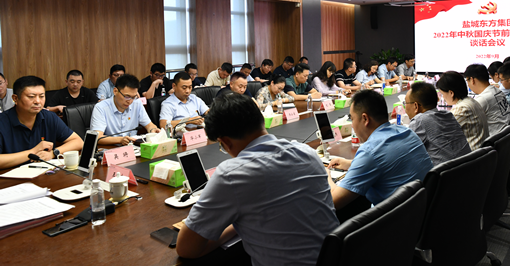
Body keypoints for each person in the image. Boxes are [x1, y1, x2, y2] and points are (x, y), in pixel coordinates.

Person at [176, 94, 339, 264]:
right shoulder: (308, 153)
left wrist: (234, 222)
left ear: (225, 142)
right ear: (261, 120)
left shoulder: (232, 175)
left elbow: (186, 248)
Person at [326, 90, 432, 209]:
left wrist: (326, 176)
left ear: (365, 119)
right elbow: (386, 161)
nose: (352, 125)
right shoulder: (407, 132)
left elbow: (333, 202)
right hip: (426, 210)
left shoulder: (370, 151)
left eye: (352, 118)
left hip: (397, 218)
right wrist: (351, 164)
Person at [0, 76, 83, 170]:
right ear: (15, 98)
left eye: (41, 96)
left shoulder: (49, 117)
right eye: (31, 97)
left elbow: (78, 142)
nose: (38, 101)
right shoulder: (2, 122)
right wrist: (33, 152)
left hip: (44, 174)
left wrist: (53, 153)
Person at [404, 82, 471, 166]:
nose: (405, 107)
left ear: (416, 106)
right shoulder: (448, 114)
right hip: (468, 168)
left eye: (405, 103)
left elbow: (406, 153)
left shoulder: (420, 121)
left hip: (447, 173)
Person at [90, 74, 160, 145]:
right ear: (115, 91)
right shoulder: (101, 108)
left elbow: (149, 125)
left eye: (133, 97)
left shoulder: (137, 103)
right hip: (110, 149)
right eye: (127, 96)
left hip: (132, 147)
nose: (130, 101)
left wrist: (153, 130)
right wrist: (120, 140)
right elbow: (98, 137)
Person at [437, 71, 489, 150]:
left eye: (442, 94)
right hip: (482, 152)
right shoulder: (472, 101)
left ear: (451, 93)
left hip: (472, 155)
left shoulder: (461, 109)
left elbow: (442, 136)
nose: (442, 97)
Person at [464, 64, 510, 137]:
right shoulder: (498, 91)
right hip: (507, 136)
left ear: (472, 80)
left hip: (494, 140)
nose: (468, 85)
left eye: (467, 80)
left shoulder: (482, 99)